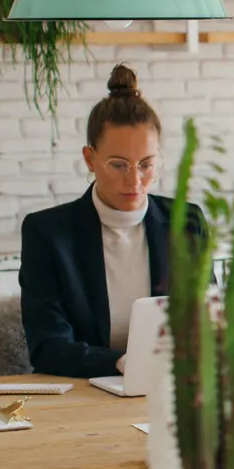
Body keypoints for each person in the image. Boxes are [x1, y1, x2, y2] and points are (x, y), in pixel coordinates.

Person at [20, 65, 203, 379]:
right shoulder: (48, 233)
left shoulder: (187, 222)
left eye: (146, 164)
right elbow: (47, 347)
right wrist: (121, 363)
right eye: (118, 165)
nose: (135, 180)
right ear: (90, 159)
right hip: (85, 391)